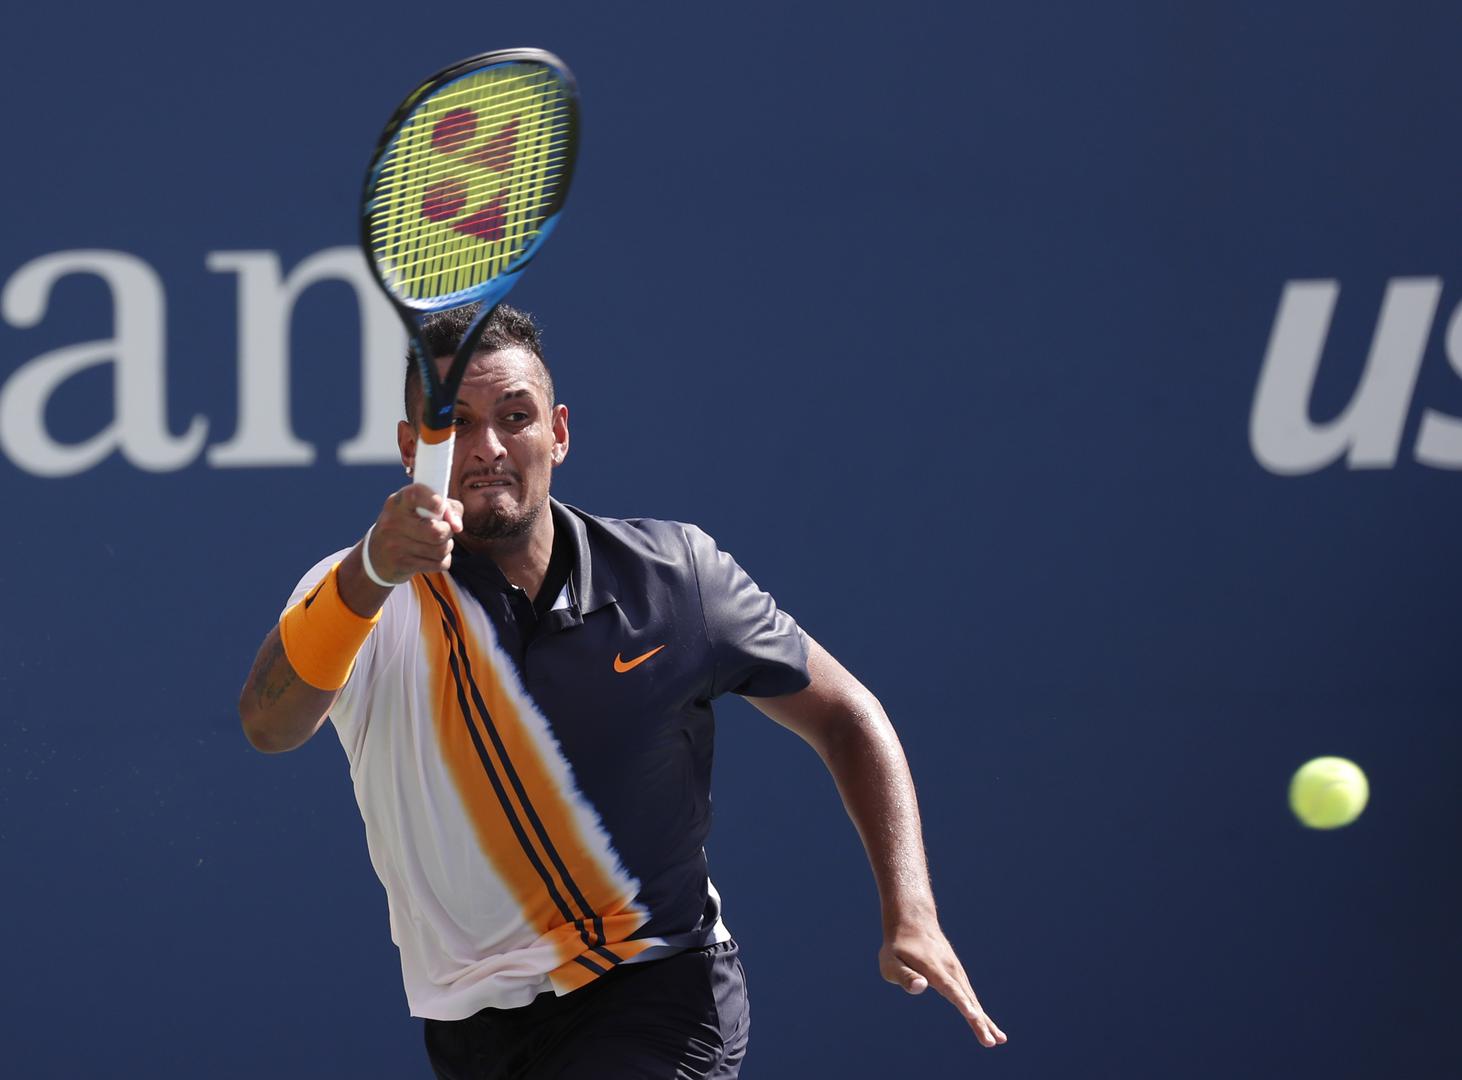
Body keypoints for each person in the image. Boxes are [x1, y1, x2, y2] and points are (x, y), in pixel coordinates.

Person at [238, 304, 1006, 1078]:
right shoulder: (355, 594)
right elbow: (269, 725)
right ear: (412, 449)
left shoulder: (676, 576)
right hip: (470, 1031)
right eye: (455, 424)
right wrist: (371, 570)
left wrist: (913, 911)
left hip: (659, 986)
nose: (489, 447)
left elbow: (844, 713)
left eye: (515, 416)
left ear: (559, 433)